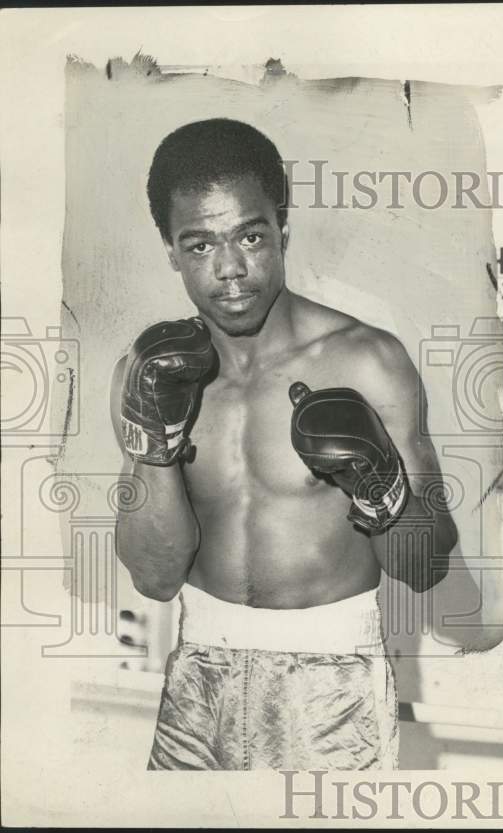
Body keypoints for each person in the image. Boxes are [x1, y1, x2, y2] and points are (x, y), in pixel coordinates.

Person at [111, 118, 458, 770]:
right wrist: (152, 446)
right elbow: (155, 578)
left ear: (283, 231)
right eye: (200, 245)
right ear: (171, 251)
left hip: (330, 685)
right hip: (195, 676)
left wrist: (380, 488)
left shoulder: (368, 362)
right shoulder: (147, 372)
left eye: (250, 235)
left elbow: (426, 565)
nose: (231, 269)